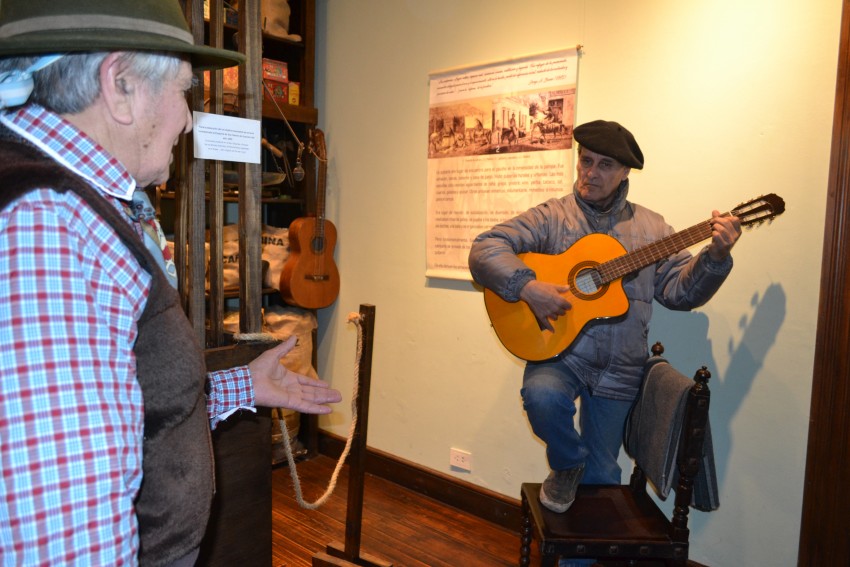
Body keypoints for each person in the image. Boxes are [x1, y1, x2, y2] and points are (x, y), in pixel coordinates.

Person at [0, 1, 342, 565]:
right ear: (120, 84)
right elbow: (67, 538)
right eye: (183, 90)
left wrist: (240, 387)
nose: (187, 119)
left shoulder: (79, 206)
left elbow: (128, 400)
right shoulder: (48, 226)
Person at [468, 120, 741, 555]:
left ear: (625, 174)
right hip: (562, 354)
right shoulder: (552, 217)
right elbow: (485, 248)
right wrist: (527, 287)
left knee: (600, 478)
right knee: (540, 396)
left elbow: (679, 293)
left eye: (604, 165)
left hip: (621, 366)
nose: (590, 172)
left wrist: (715, 256)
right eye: (585, 160)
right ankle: (566, 461)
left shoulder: (653, 229)